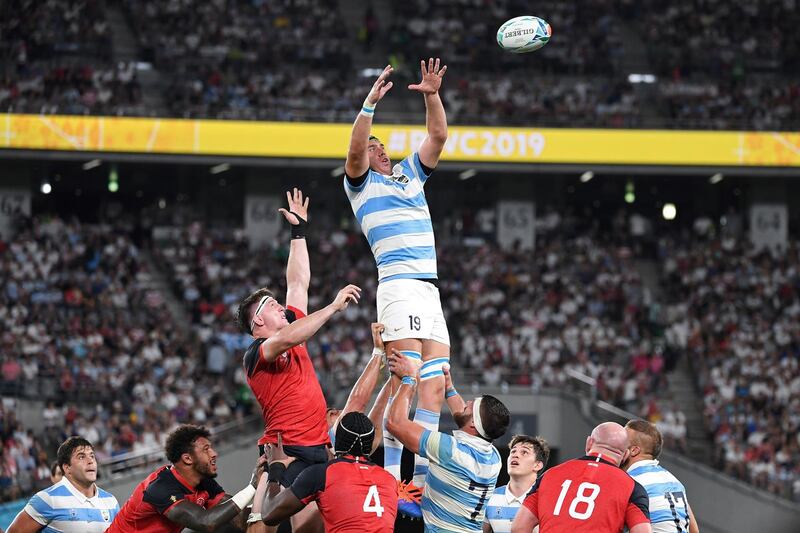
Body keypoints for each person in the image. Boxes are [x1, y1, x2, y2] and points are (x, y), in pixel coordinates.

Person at [342, 57, 451, 517]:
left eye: (382, 145)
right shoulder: (360, 187)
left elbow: (439, 136)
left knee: (434, 390)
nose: (378, 150)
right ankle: (388, 477)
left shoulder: (410, 174)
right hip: (399, 286)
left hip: (429, 290)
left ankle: (420, 486)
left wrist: (430, 95)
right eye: (373, 146)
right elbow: (352, 152)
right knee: (404, 375)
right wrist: (369, 105)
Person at [235, 188, 361, 530]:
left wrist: (298, 233)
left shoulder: (291, 326)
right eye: (270, 305)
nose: (280, 305)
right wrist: (333, 307)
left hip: (319, 447)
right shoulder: (257, 353)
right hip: (285, 452)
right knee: (264, 523)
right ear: (258, 322)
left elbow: (297, 281)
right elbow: (292, 335)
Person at [245, 323, 392, 532]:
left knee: (276, 517)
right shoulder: (333, 438)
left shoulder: (340, 448)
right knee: (264, 520)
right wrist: (389, 373)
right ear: (331, 415)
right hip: (295, 471)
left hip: (298, 478)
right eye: (343, 412)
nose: (348, 414)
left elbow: (370, 421)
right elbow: (361, 404)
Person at [386, 349, 510, 532]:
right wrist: (449, 389)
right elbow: (464, 415)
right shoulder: (493, 458)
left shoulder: (451, 451)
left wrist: (409, 378)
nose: (465, 402)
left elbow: (394, 423)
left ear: (474, 423)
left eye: (470, 405)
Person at [107, 424, 264, 532]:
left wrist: (278, 496)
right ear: (188, 458)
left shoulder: (203, 481)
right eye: (206, 449)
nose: (214, 453)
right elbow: (206, 522)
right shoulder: (160, 487)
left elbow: (238, 516)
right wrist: (252, 486)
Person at [259, 413, 398, 532]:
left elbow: (269, 514)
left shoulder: (322, 474)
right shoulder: (389, 480)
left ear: (337, 440)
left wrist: (276, 466)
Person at [511, 422, 652, 533]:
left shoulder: (549, 475)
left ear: (589, 443)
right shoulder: (632, 488)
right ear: (625, 454)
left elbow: (519, 527)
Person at [8, 437, 119, 533]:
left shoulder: (111, 501)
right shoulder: (47, 499)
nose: (90, 461)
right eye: (81, 457)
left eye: (92, 456)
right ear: (67, 468)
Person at [623, 420, 700, 533]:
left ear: (633, 450)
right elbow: (694, 531)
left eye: (622, 441)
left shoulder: (630, 481)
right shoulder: (675, 482)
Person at [484, 435, 550, 533]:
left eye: (524, 452)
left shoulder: (549, 500)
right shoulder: (489, 497)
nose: (515, 455)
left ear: (537, 465)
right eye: (513, 451)